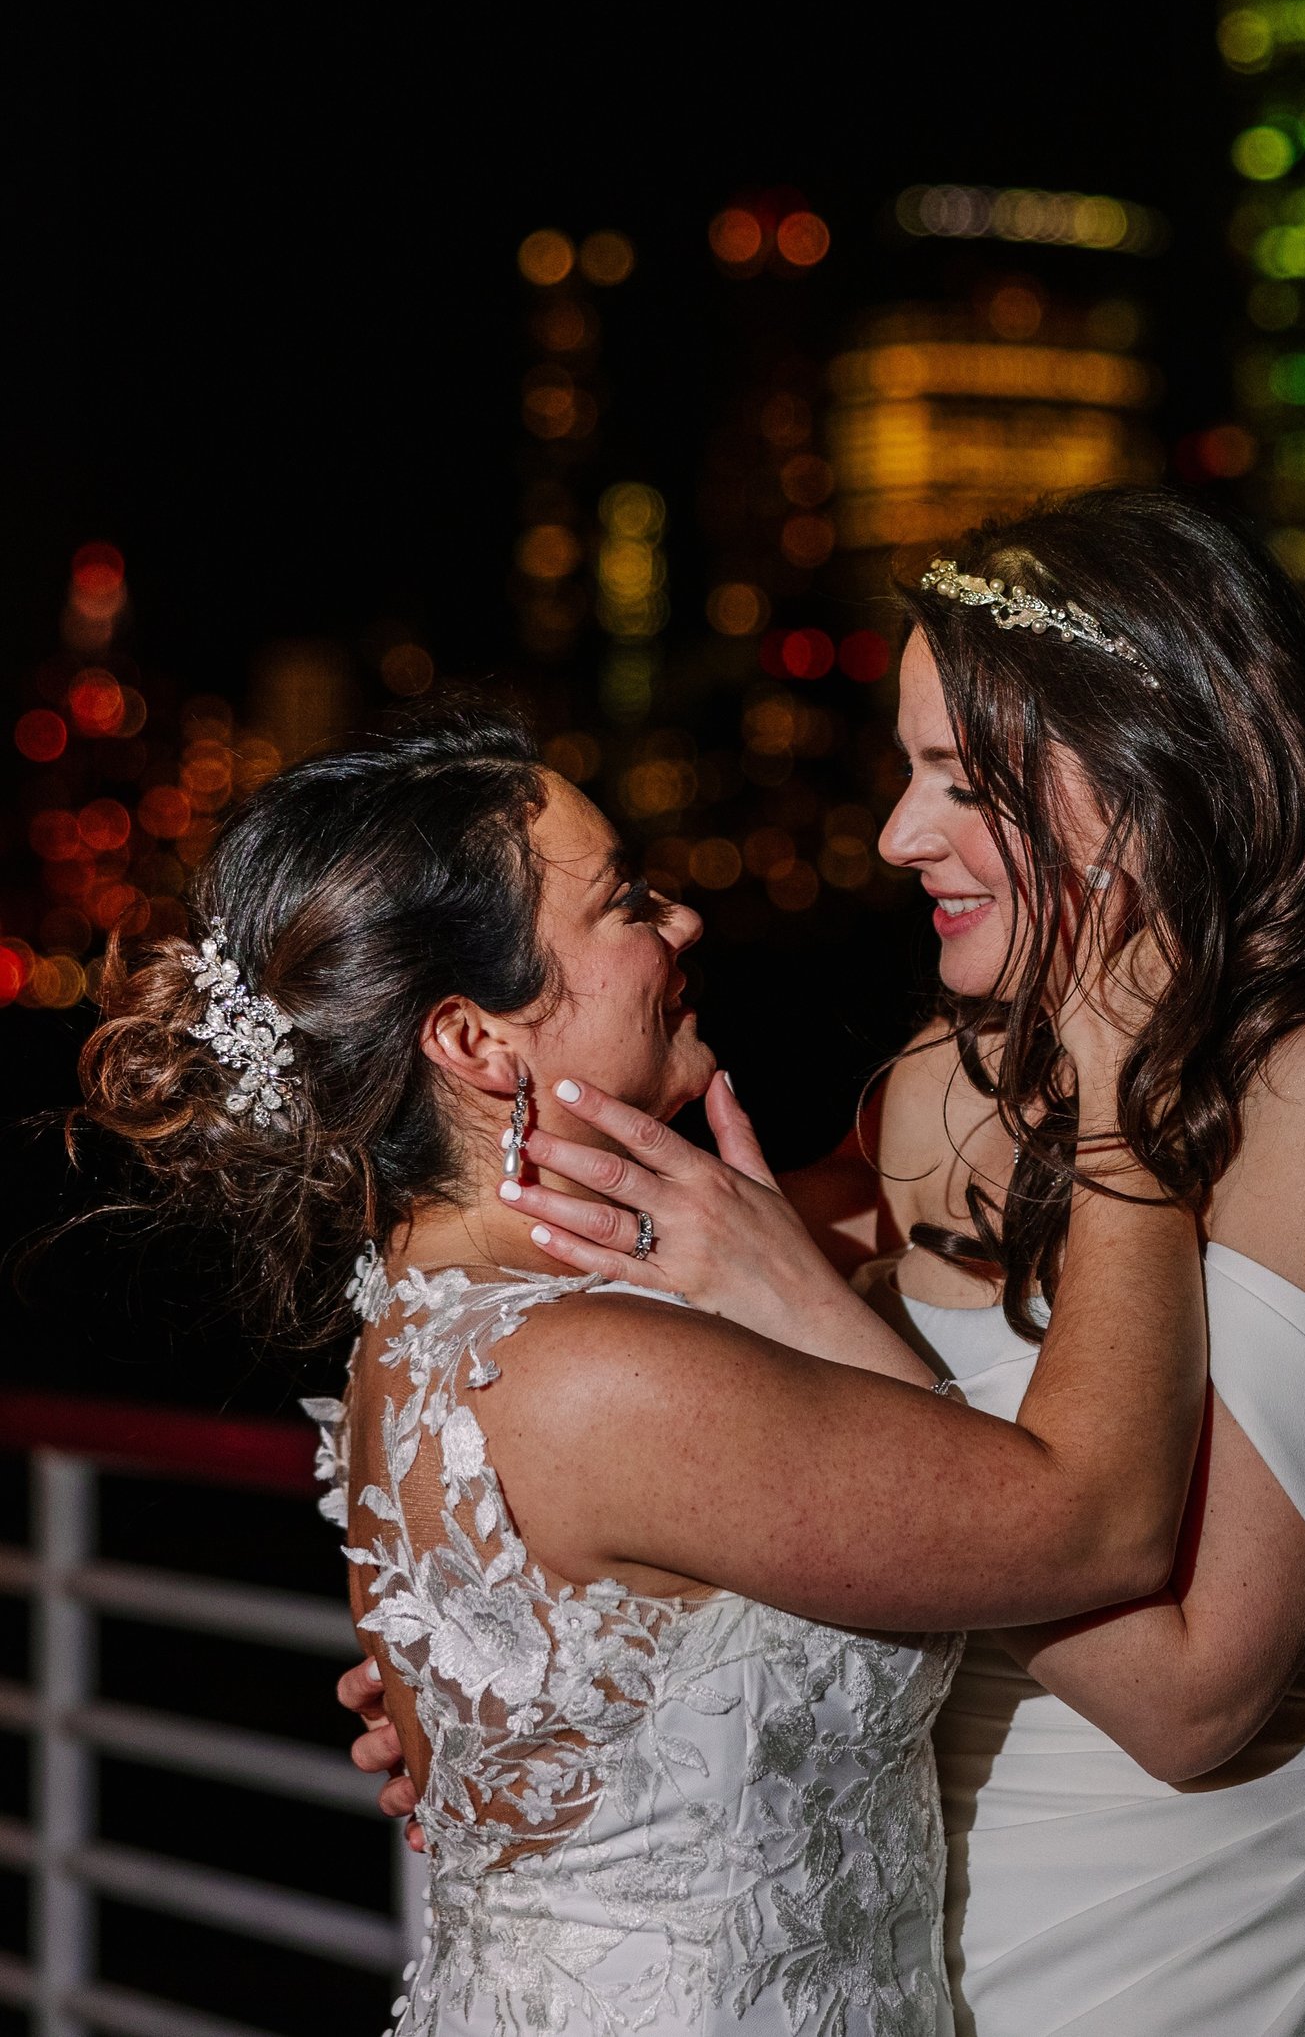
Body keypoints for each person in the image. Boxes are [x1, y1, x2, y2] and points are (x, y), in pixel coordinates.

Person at [354, 490, 1305, 2036]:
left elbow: (1188, 1699)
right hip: (902, 1945)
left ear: (1138, 785)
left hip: (1209, 1946)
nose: (900, 836)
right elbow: (675, 1441)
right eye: (905, 773)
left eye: (958, 783)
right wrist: (516, 1694)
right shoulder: (939, 1080)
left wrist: (823, 1321)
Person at [77, 702, 1206, 2037]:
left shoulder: (444, 1325)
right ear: (476, 1042)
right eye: (625, 903)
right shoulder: (586, 1371)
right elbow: (1104, 1523)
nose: (684, 924)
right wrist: (1129, 1084)